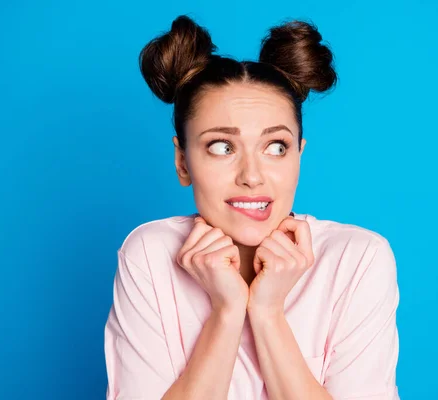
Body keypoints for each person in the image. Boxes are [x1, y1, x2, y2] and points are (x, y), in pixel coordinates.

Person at [104, 15, 400, 400]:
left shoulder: (357, 259)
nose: (252, 176)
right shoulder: (150, 253)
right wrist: (227, 312)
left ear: (299, 156)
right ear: (182, 162)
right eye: (222, 147)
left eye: (276, 147)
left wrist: (268, 313)